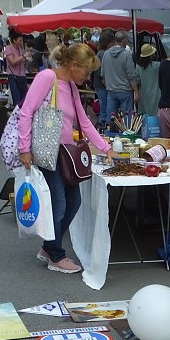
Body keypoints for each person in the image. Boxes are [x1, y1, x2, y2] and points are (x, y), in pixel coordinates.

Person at [19, 43, 114, 274]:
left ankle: (49, 247)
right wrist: (24, 148)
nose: (88, 76)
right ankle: (56, 256)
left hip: (64, 154)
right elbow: (26, 111)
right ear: (73, 65)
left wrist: (105, 147)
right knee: (59, 204)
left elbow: (84, 122)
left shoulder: (70, 86)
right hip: (47, 152)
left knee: (74, 202)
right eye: (86, 71)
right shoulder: (47, 78)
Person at [100, 30, 137, 122]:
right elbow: (131, 75)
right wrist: (136, 91)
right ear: (124, 41)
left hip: (111, 91)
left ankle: (110, 134)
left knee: (111, 118)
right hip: (125, 90)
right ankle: (127, 134)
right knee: (127, 118)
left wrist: (109, 85)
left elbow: (103, 76)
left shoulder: (106, 54)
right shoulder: (127, 55)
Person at [92, 28, 113, 126]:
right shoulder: (103, 54)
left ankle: (101, 125)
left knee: (103, 108)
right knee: (104, 109)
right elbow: (102, 74)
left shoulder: (99, 53)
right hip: (102, 86)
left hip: (98, 85)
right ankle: (102, 126)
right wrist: (108, 86)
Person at [2, 30, 27, 108]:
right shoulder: (8, 48)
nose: (21, 42)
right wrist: (22, 57)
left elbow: (23, 63)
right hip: (13, 76)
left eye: (22, 40)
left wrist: (26, 59)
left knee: (24, 99)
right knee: (16, 98)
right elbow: (12, 62)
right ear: (14, 40)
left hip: (22, 76)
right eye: (19, 40)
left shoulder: (21, 50)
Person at [134, 43, 159, 117]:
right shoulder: (157, 65)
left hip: (143, 94)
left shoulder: (138, 66)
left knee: (144, 115)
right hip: (156, 95)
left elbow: (137, 80)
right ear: (151, 55)